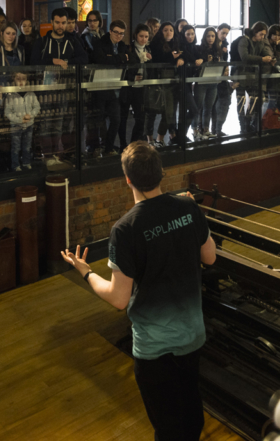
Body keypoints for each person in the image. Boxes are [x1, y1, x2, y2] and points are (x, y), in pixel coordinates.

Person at [60, 142, 215, 441]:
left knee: (168, 428)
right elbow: (209, 257)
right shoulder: (187, 206)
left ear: (128, 179)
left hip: (155, 350)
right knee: (192, 417)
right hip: (192, 336)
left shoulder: (125, 229)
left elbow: (119, 298)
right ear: (160, 173)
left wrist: (86, 272)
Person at [32, 8, 88, 166]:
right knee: (44, 123)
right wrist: (54, 61)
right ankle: (46, 155)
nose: (60, 26)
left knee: (59, 122)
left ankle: (57, 153)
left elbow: (84, 59)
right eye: (57, 22)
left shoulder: (72, 41)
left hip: (65, 89)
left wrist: (67, 62)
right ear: (51, 22)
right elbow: (34, 61)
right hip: (45, 90)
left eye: (63, 22)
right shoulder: (42, 41)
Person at [90, 21, 128, 155]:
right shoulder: (100, 43)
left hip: (115, 87)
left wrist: (113, 58)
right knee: (99, 120)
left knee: (116, 119)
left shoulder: (122, 45)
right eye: (116, 32)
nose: (119, 36)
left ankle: (109, 147)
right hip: (100, 86)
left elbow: (131, 58)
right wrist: (121, 58)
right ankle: (98, 146)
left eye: (122, 34)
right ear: (110, 31)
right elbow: (101, 59)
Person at [232, 22, 272, 134]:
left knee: (257, 100)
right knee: (241, 102)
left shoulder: (260, 42)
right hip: (240, 75)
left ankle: (248, 122)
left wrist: (268, 57)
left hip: (253, 76)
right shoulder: (244, 40)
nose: (262, 37)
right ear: (255, 32)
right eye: (261, 34)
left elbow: (266, 53)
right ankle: (243, 125)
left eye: (264, 35)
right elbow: (244, 57)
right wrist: (262, 59)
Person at [146, 22, 179, 147]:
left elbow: (182, 55)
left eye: (171, 30)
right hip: (156, 80)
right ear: (161, 31)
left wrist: (179, 57)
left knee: (169, 112)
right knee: (152, 111)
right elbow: (158, 58)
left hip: (170, 82)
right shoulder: (155, 43)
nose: (169, 32)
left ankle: (160, 138)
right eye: (165, 30)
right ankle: (150, 139)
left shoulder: (176, 44)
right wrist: (172, 56)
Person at [121, 23, 151, 147]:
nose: (143, 39)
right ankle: (123, 144)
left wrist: (151, 60)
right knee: (123, 118)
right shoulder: (128, 48)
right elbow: (123, 68)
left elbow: (151, 69)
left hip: (142, 88)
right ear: (135, 36)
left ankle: (133, 144)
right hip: (128, 87)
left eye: (146, 36)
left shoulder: (149, 50)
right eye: (141, 36)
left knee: (140, 118)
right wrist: (132, 77)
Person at [4, 71, 39, 171]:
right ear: (13, 79)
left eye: (23, 79)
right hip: (16, 125)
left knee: (27, 146)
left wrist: (30, 115)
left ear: (27, 80)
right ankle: (15, 165)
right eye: (18, 79)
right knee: (16, 147)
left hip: (29, 124)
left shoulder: (31, 94)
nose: (21, 82)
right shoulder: (11, 95)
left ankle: (26, 162)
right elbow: (8, 112)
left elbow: (37, 107)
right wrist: (19, 120)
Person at [176, 26, 202, 142]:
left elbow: (201, 56)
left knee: (186, 110)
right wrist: (182, 58)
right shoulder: (180, 47)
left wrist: (202, 59)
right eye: (187, 34)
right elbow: (186, 56)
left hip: (188, 82)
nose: (190, 36)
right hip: (180, 83)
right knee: (194, 110)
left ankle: (181, 135)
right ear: (183, 35)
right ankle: (180, 134)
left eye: (192, 34)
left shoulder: (195, 47)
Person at [194, 27, 221, 140]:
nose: (210, 38)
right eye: (208, 36)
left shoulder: (218, 50)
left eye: (213, 36)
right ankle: (195, 130)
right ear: (205, 37)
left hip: (213, 81)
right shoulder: (199, 49)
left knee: (208, 107)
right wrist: (206, 61)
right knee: (198, 107)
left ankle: (206, 129)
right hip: (201, 81)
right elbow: (196, 64)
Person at [210, 24, 233, 137]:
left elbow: (225, 61)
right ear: (217, 30)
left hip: (222, 78)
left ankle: (218, 129)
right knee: (211, 104)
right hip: (213, 76)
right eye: (223, 33)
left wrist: (226, 67)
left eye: (226, 34)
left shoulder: (225, 45)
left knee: (225, 102)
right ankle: (210, 129)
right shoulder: (211, 44)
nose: (224, 35)